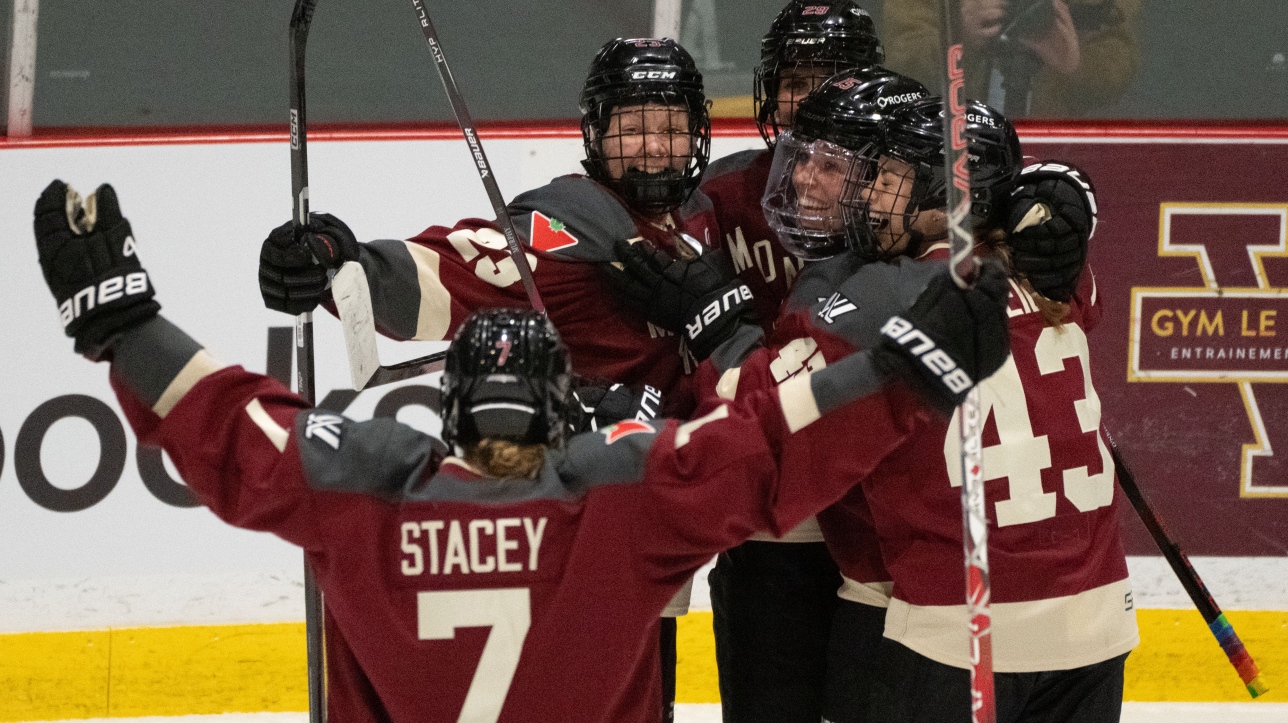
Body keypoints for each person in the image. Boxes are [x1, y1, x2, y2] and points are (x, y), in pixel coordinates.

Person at [29, 178, 1010, 723]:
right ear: (559, 414)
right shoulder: (624, 492)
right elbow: (766, 443)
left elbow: (235, 431)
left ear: (447, 411)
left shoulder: (361, 488)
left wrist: (122, 328)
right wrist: (902, 376)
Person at [256, 37, 741, 720]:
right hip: (583, 524)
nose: (653, 146)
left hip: (659, 509)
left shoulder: (709, 219)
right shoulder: (570, 227)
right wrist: (344, 265)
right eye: (632, 128)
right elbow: (450, 270)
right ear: (596, 134)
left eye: (670, 127)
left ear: (699, 132)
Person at [819, 98, 1137, 721]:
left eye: (888, 180)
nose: (870, 197)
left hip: (961, 628)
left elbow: (771, 400)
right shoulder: (1061, 274)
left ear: (946, 198)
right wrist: (1064, 191)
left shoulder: (879, 292)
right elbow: (1067, 222)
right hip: (1098, 619)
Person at [881, 0, 1141, 117]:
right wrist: (958, 37)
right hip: (950, 147)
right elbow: (903, 71)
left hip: (1057, 146)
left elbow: (1117, 67)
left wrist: (1076, 65)